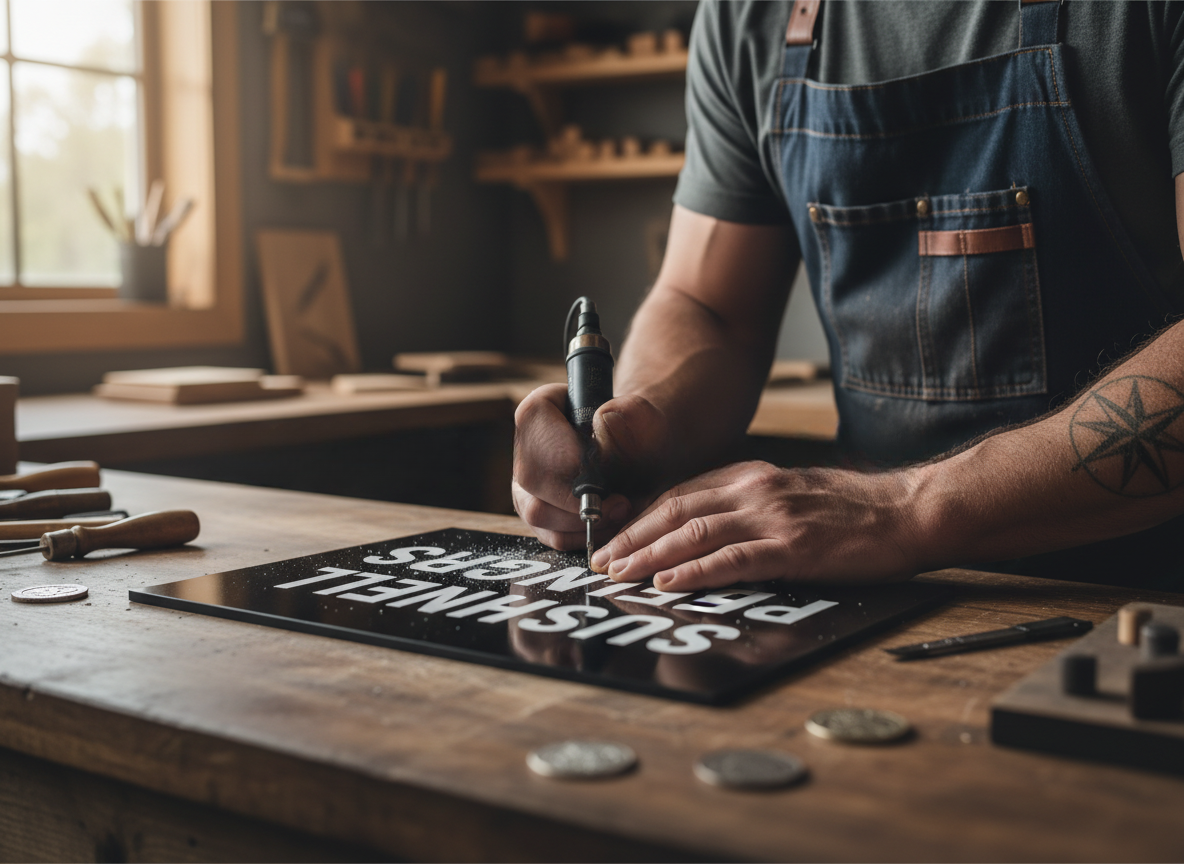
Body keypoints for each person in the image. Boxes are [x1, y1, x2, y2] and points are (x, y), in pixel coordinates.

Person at [513, 0, 1184, 593]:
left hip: (1135, 591)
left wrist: (906, 512)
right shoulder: (753, 15)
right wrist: (637, 426)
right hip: (862, 583)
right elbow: (706, 304)